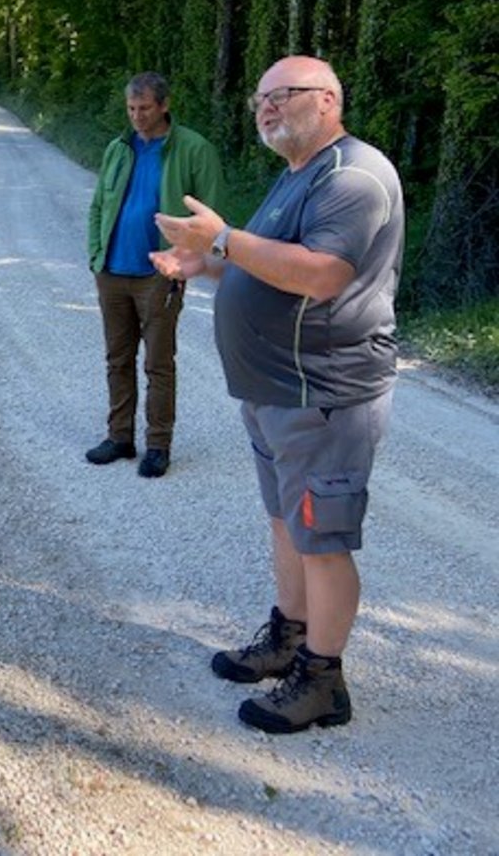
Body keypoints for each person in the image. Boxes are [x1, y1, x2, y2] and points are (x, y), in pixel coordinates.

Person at [152, 55, 404, 733]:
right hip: (273, 389)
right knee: (288, 523)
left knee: (322, 538)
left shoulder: (354, 177)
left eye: (281, 96)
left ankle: (323, 679)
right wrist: (203, 262)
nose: (265, 108)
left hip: (321, 392)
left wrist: (226, 239)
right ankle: (290, 638)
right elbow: (268, 262)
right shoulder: (298, 175)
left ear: (326, 100)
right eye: (259, 99)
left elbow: (321, 275)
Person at [86, 72, 223, 478]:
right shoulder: (118, 148)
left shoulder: (194, 149)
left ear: (164, 105)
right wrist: (96, 253)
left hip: (160, 274)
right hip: (112, 269)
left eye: (145, 108)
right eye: (131, 109)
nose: (137, 116)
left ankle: (158, 444)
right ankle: (120, 437)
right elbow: (98, 205)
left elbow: (212, 219)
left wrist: (185, 261)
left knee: (158, 363)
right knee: (117, 358)